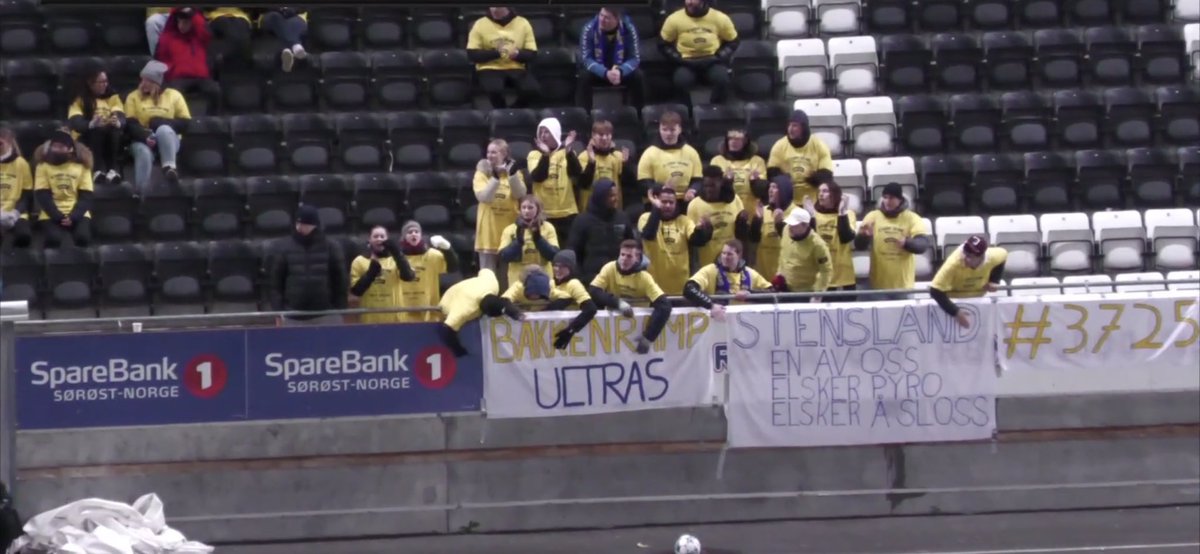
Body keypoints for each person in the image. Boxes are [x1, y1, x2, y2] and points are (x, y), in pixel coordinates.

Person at [588, 240, 672, 354]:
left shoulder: (645, 277)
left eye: (629, 256)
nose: (624, 259)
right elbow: (594, 290)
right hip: (612, 330)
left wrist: (649, 337)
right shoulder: (609, 268)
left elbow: (664, 305)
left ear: (637, 258)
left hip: (638, 329)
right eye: (622, 255)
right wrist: (618, 303)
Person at [269, 205, 348, 326]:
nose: (300, 227)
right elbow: (276, 282)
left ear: (314, 224)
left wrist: (339, 310)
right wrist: (278, 310)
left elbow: (340, 281)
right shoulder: (284, 248)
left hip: (326, 314)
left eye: (304, 224)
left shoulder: (331, 247)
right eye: (298, 223)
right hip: (293, 316)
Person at [854, 182, 931, 298]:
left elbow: (922, 245)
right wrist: (864, 236)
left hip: (904, 286)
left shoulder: (912, 218)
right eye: (885, 197)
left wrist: (907, 243)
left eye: (891, 198)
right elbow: (859, 246)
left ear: (900, 199)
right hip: (877, 286)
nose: (887, 201)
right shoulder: (872, 216)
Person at [125, 60, 191, 194]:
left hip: (169, 140)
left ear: (156, 83)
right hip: (142, 139)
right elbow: (130, 123)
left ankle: (169, 167)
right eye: (142, 80)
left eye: (147, 81)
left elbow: (185, 123)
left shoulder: (174, 95)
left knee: (164, 130)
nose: (142, 84)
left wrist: (159, 122)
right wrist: (145, 136)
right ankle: (141, 192)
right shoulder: (133, 97)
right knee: (143, 152)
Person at [659, 0, 739, 106]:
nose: (690, 2)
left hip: (712, 60)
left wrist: (719, 56)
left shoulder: (720, 18)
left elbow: (733, 42)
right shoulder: (674, 19)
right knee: (680, 81)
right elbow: (663, 45)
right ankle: (688, 113)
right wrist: (678, 59)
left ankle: (715, 108)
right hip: (686, 62)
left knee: (722, 79)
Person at [639, 184, 712, 295]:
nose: (667, 205)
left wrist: (703, 229)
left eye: (671, 202)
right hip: (653, 287)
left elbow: (697, 241)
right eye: (663, 202)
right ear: (656, 201)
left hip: (681, 287)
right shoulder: (646, 217)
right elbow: (649, 235)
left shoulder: (684, 221)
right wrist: (656, 209)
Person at [683, 239, 775, 321]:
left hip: (745, 321)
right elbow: (689, 289)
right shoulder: (711, 270)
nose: (725, 257)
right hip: (718, 321)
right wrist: (711, 305)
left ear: (739, 255)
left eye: (730, 254)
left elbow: (772, 293)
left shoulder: (750, 273)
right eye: (723, 253)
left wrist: (750, 294)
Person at [466, 6, 539, 109]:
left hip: (516, 67)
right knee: (494, 89)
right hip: (489, 67)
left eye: (499, 7)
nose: (495, 10)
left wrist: (517, 54)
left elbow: (532, 54)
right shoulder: (480, 24)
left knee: (532, 90)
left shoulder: (523, 23)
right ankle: (501, 111)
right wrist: (498, 53)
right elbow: (472, 54)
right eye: (492, 7)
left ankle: (513, 111)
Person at [474, 139, 527, 277]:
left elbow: (520, 194)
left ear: (504, 154)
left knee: (507, 277)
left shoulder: (515, 172)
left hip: (509, 233)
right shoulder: (481, 173)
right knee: (487, 279)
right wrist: (496, 178)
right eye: (488, 152)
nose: (490, 155)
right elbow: (484, 197)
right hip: (488, 234)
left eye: (494, 152)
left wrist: (512, 176)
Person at [930, 235, 1008, 329]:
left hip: (978, 300)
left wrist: (994, 280)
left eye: (970, 256)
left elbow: (1004, 256)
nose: (966, 258)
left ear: (981, 256)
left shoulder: (993, 256)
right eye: (965, 253)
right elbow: (935, 290)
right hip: (952, 302)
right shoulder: (953, 263)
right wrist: (956, 312)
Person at [567, 178, 636, 283]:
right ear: (600, 197)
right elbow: (573, 252)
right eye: (611, 196)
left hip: (620, 277)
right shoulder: (582, 220)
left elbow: (632, 246)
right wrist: (581, 278)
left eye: (616, 195)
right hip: (591, 279)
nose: (615, 199)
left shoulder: (622, 217)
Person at [34, 131, 94, 248]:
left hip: (77, 211)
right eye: (54, 146)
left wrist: (74, 216)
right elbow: (42, 195)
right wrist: (58, 216)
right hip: (50, 213)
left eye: (60, 147)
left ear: (70, 149)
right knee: (53, 238)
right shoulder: (42, 166)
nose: (56, 150)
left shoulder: (82, 167)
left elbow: (86, 195)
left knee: (83, 237)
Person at [577, 6, 644, 111]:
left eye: (607, 17)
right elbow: (586, 59)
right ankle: (585, 116)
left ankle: (639, 115)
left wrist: (620, 71)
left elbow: (634, 58)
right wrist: (605, 72)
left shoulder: (629, 28)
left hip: (619, 71)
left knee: (638, 76)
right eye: (601, 15)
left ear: (617, 19)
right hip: (598, 71)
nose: (602, 20)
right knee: (584, 76)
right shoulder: (589, 28)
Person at [154, 7, 221, 113]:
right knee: (173, 92)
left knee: (215, 90)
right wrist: (170, 71)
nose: (181, 26)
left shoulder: (200, 36)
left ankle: (212, 119)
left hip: (201, 77)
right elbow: (161, 59)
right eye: (179, 22)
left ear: (192, 22)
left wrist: (192, 12)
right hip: (178, 77)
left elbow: (204, 30)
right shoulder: (167, 38)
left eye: (185, 22)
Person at [66, 69, 126, 184]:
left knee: (114, 130)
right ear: (91, 83)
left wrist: (117, 122)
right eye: (101, 82)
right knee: (97, 130)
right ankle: (96, 171)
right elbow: (76, 122)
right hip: (86, 136)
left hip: (108, 136)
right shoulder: (79, 100)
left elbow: (120, 116)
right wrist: (91, 124)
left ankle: (112, 170)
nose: (105, 85)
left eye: (106, 81)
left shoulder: (112, 98)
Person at [348, 225, 416, 324]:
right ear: (369, 240)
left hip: (395, 318)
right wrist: (371, 273)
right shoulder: (359, 261)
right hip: (370, 319)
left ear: (387, 240)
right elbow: (356, 291)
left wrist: (397, 254)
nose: (379, 239)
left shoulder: (396, 259)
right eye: (375, 237)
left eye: (382, 236)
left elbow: (408, 277)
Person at [527, 118, 582, 239]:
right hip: (543, 214)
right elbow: (538, 177)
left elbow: (577, 173)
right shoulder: (534, 155)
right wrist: (546, 156)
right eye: (540, 132)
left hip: (567, 213)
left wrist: (568, 151)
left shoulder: (567, 153)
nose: (542, 135)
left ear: (555, 133)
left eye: (547, 132)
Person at [767, 109, 834, 206]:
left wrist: (812, 178)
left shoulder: (819, 145)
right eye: (789, 125)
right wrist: (785, 180)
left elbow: (827, 177)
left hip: (814, 202)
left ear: (803, 128)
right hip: (787, 203)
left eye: (795, 126)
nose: (790, 129)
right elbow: (772, 174)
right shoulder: (779, 145)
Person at [396, 220, 459, 323]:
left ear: (421, 235)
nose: (413, 234)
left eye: (416, 231)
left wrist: (447, 248)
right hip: (402, 315)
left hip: (429, 314)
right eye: (409, 232)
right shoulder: (397, 258)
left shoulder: (432, 256)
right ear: (404, 236)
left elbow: (453, 267)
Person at [803, 181, 857, 301]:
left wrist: (841, 213)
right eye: (819, 191)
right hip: (820, 277)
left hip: (843, 278)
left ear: (835, 194)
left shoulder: (849, 214)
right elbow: (810, 242)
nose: (821, 194)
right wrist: (811, 216)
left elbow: (846, 237)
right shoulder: (814, 215)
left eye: (825, 191)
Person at [687, 165, 749, 267]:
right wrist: (703, 232)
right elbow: (692, 242)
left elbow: (741, 235)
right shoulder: (694, 205)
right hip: (707, 264)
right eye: (706, 186)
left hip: (732, 262)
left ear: (721, 183)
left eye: (712, 185)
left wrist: (742, 222)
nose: (709, 189)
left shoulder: (735, 200)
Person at [437, 268, 508, 357]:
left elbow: (485, 270)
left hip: (468, 287)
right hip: (449, 298)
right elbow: (446, 329)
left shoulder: (493, 284)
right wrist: (458, 350)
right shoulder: (466, 310)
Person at [636, 110, 703, 203]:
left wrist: (692, 190)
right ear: (659, 129)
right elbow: (643, 184)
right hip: (660, 201)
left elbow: (698, 180)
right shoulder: (649, 153)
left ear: (679, 129)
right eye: (664, 129)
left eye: (672, 130)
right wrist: (662, 189)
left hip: (685, 200)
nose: (668, 134)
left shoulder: (691, 152)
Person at [499, 195, 559, 288]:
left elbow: (553, 255)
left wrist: (538, 239)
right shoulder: (510, 229)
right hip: (517, 280)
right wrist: (518, 242)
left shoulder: (548, 228)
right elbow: (504, 257)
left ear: (538, 209)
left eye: (530, 207)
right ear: (519, 209)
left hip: (543, 277)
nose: (526, 211)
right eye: (524, 207)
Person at [772, 208, 831, 301]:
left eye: (794, 224)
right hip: (784, 289)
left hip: (805, 293)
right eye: (790, 223)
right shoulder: (786, 230)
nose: (790, 226)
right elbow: (783, 254)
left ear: (805, 225)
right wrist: (779, 273)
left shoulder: (818, 245)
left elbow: (826, 271)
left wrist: (817, 294)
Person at [577, 119, 633, 212]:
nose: (604, 138)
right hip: (589, 210)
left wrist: (626, 165)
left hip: (613, 209)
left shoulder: (618, 156)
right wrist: (591, 163)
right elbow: (583, 184)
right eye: (601, 135)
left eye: (607, 135)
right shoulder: (584, 157)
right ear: (593, 135)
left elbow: (629, 185)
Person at [710, 128, 767, 210]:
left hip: (752, 209)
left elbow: (763, 192)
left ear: (746, 142)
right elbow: (711, 190)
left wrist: (755, 182)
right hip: (726, 209)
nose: (733, 141)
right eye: (730, 139)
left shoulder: (757, 161)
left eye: (738, 139)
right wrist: (726, 181)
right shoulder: (717, 160)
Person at [750, 176, 795, 278]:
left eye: (774, 187)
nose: (770, 190)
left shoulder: (795, 212)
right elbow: (753, 239)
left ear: (784, 190)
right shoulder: (764, 210)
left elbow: (796, 242)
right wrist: (757, 220)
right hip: (763, 273)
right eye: (770, 187)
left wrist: (779, 224)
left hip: (787, 275)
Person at [0, 128, 34, 249]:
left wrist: (15, 213)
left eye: (0, 143)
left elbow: (27, 193)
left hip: (16, 212)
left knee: (24, 237)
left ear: (9, 143)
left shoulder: (21, 163)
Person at [261, 7, 309, 72]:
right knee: (275, 17)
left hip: (296, 17)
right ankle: (296, 46)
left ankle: (286, 50)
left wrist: (291, 10)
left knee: (294, 23)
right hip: (271, 17)